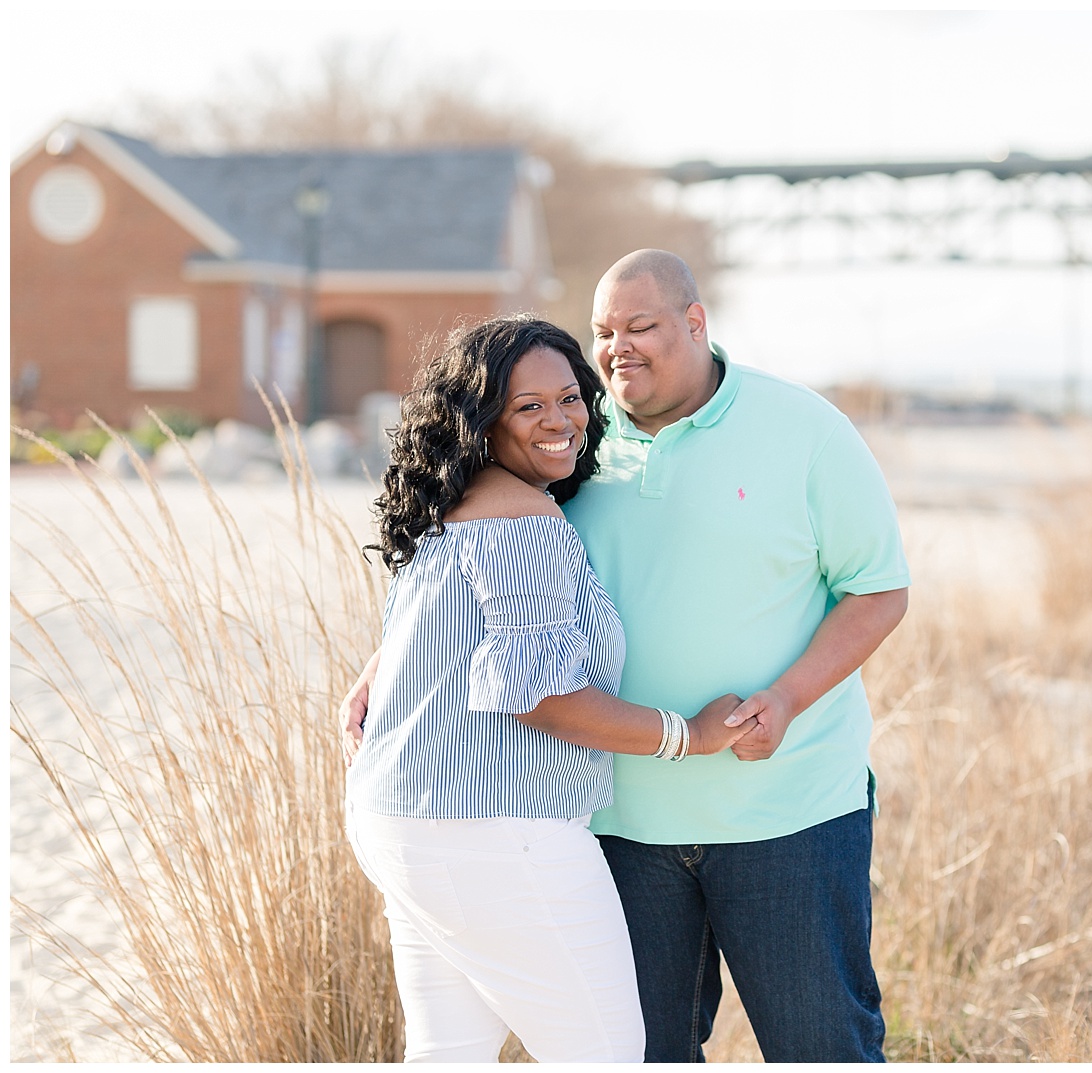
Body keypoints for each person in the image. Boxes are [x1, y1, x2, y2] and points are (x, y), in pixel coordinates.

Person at [345, 252, 910, 1062]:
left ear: (695, 321)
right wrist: (387, 665)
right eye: (603, 331)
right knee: (647, 1054)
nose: (619, 349)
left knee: (822, 1047)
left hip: (785, 810)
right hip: (617, 822)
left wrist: (784, 699)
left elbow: (878, 589)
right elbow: (483, 584)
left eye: (641, 326)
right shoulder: (571, 444)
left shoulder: (806, 430)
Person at [343, 314, 752, 1063]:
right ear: (481, 420)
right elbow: (539, 693)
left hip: (401, 819)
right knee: (604, 1053)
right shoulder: (521, 520)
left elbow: (457, 639)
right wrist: (689, 736)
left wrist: (385, 664)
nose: (561, 420)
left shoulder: (455, 507)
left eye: (570, 397)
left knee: (449, 1053)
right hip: (497, 828)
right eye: (528, 407)